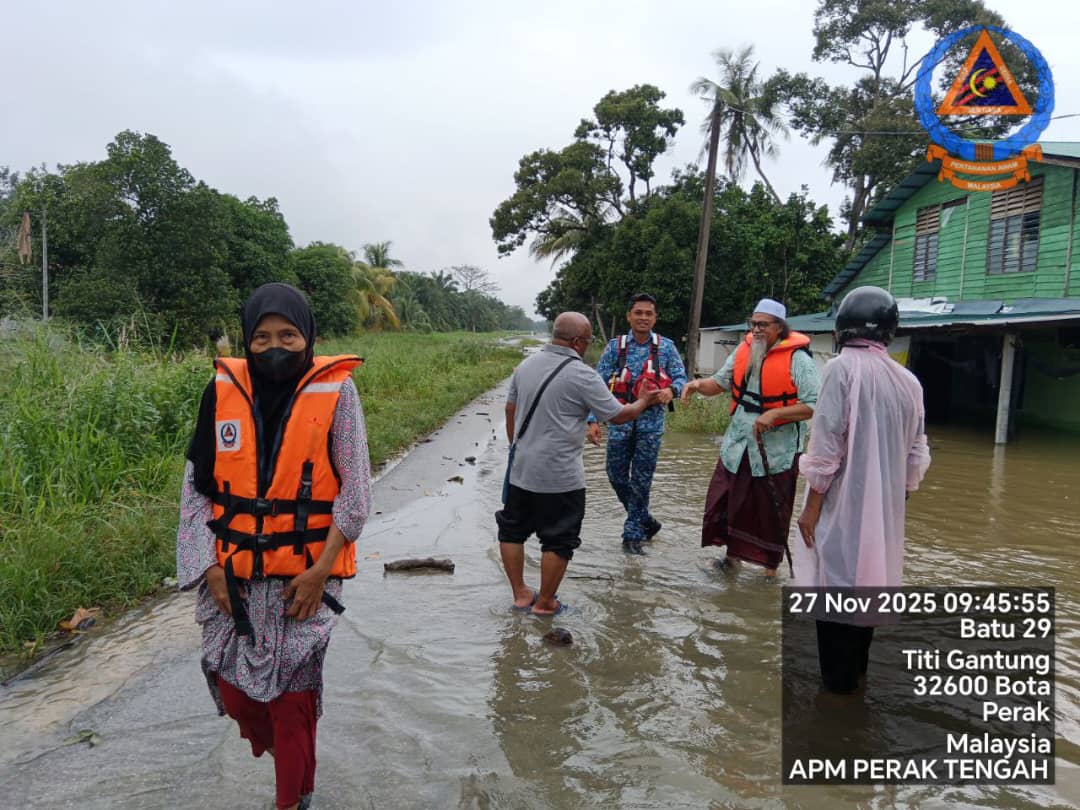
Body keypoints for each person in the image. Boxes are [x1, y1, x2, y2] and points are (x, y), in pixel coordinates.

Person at [177, 283, 371, 810]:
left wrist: (320, 571)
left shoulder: (338, 393)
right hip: (233, 582)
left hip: (304, 582)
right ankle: (293, 761)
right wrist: (209, 568)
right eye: (261, 337)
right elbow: (196, 492)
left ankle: (293, 798)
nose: (275, 346)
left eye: (288, 335)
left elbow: (355, 494)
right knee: (237, 695)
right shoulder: (221, 393)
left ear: (308, 337)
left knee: (292, 703)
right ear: (247, 340)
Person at [795, 286, 930, 694]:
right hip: (885, 513)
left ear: (842, 329)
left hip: (841, 508)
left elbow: (826, 446)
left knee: (835, 593)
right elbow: (916, 454)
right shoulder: (909, 381)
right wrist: (894, 501)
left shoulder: (841, 369)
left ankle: (837, 699)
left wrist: (811, 509)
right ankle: (856, 688)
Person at [496, 312, 663, 615]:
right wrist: (643, 400)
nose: (588, 345)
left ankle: (520, 594)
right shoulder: (582, 375)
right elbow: (619, 415)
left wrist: (516, 448)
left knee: (512, 530)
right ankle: (545, 603)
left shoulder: (526, 366)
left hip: (521, 470)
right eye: (587, 340)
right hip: (560, 476)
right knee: (559, 540)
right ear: (576, 341)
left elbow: (510, 409)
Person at [681, 298, 819, 577]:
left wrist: (775, 414)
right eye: (753, 324)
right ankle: (731, 560)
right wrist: (696, 385)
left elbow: (813, 405)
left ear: (779, 327)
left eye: (762, 325)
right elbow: (719, 383)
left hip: (776, 453)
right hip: (738, 446)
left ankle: (769, 572)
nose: (756, 330)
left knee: (770, 511)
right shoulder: (744, 350)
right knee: (729, 501)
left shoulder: (799, 360)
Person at [587, 293, 688, 554]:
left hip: (650, 427)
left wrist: (671, 391)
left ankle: (632, 535)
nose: (644, 318)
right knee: (615, 475)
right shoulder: (615, 347)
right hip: (619, 422)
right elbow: (597, 384)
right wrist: (592, 420)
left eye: (648, 313)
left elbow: (681, 378)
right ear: (629, 316)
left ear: (655, 318)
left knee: (642, 481)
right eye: (638, 313)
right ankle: (646, 520)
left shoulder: (666, 347)